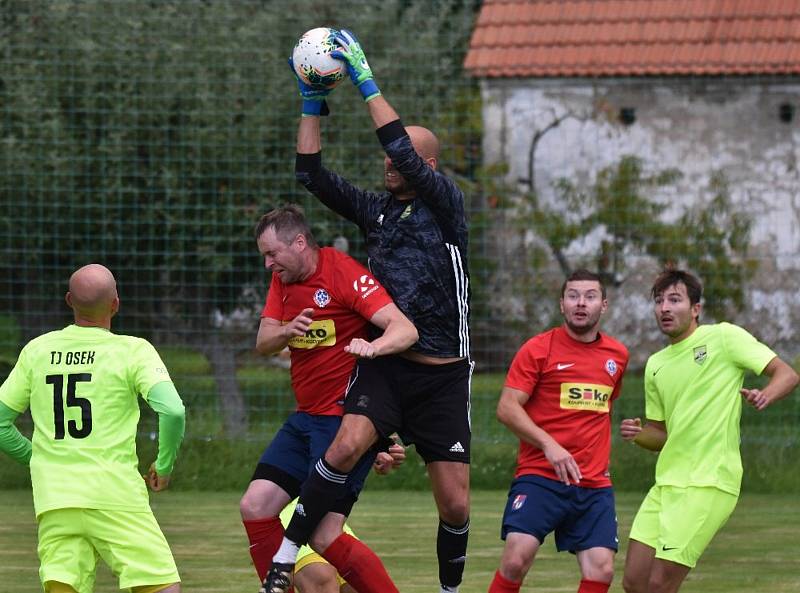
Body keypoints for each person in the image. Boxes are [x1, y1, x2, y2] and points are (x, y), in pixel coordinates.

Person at [265, 29, 473, 593]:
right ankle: (285, 557)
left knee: (454, 504)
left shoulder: (446, 205)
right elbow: (310, 174)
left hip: (441, 375)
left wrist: (363, 78)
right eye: (386, 156)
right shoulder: (376, 212)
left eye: (402, 157)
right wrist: (311, 102)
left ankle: (449, 590)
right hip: (386, 364)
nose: (390, 162)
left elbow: (402, 145)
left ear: (428, 166)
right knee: (344, 446)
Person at [239, 205, 418, 591]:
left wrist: (375, 348)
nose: (268, 263)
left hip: (342, 422)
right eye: (264, 256)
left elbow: (404, 330)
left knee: (323, 535)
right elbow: (263, 342)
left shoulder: (342, 273)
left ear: (299, 242)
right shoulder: (283, 281)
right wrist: (287, 331)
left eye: (272, 253)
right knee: (255, 506)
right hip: (305, 418)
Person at [0, 263, 186, 593]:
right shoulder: (133, 350)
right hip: (115, 494)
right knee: (161, 587)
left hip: (55, 498)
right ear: (116, 303)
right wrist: (165, 464)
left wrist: (41, 458)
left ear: (69, 300)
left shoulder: (37, 350)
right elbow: (172, 410)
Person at [619, 268, 799, 593]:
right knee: (635, 582)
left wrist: (765, 394)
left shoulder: (723, 338)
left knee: (660, 584)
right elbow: (661, 435)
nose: (665, 308)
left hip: (710, 482)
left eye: (675, 299)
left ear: (696, 309)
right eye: (659, 301)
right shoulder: (656, 364)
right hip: (667, 484)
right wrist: (639, 434)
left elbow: (786, 374)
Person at [487, 270, 629, 593]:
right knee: (515, 558)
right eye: (573, 296)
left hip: (593, 484)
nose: (581, 303)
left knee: (602, 569)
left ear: (603, 305)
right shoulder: (538, 349)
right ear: (562, 304)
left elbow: (602, 408)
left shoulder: (617, 356)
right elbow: (507, 408)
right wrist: (549, 444)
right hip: (541, 476)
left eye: (590, 296)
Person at [282, 443, 405, 593]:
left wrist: (379, 448)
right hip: (298, 508)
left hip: (331, 518)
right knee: (323, 579)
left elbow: (371, 431)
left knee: (360, 583)